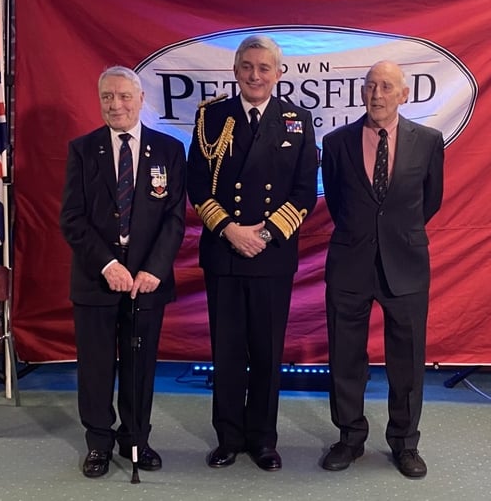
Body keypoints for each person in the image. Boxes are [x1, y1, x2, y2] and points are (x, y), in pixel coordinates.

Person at [187, 35, 318, 471]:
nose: (255, 75)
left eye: (264, 67)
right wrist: (229, 229)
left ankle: (263, 439)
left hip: (271, 254)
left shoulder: (298, 121)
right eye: (247, 66)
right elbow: (196, 184)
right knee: (226, 350)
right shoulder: (210, 117)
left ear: (279, 73)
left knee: (266, 350)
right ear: (235, 70)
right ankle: (228, 437)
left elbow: (303, 193)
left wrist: (261, 236)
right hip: (224, 252)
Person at [60, 66, 186, 478]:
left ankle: (136, 440)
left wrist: (153, 269)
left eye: (124, 97)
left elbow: (174, 219)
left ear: (140, 99)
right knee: (96, 365)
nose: (115, 105)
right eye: (107, 98)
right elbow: (72, 219)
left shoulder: (168, 150)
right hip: (97, 279)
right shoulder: (83, 150)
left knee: (140, 365)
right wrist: (109, 264)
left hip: (148, 283)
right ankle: (98, 442)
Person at [320, 60, 444, 478]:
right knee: (345, 357)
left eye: (386, 87)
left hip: (406, 264)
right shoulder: (336, 143)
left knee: (406, 360)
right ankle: (349, 437)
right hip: (350, 262)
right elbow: (337, 202)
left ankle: (405, 443)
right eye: (370, 86)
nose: (376, 94)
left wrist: (396, 234)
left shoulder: (428, 141)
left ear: (403, 95)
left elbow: (430, 201)